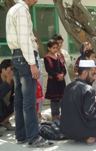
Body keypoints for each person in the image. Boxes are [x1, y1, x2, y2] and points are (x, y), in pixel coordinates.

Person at [6, 0, 51, 147]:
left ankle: (22, 135)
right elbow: (24, 39)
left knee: (19, 99)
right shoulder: (21, 10)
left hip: (16, 57)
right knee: (29, 101)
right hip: (25, 58)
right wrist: (32, 63)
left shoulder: (13, 9)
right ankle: (33, 137)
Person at [60, 60, 96, 144]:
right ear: (84, 72)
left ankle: (82, 135)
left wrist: (95, 96)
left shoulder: (69, 86)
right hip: (81, 131)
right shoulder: (88, 89)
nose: (95, 78)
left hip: (66, 130)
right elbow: (90, 114)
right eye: (93, 73)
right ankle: (92, 134)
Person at [44, 39, 66, 122]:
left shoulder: (59, 56)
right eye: (53, 48)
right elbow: (49, 70)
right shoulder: (47, 58)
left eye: (57, 47)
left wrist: (63, 74)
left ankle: (62, 115)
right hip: (53, 82)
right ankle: (55, 116)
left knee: (62, 99)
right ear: (49, 48)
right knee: (54, 100)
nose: (55, 49)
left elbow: (63, 68)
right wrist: (57, 75)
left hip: (61, 82)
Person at [0, 59, 15, 134]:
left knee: (18, 100)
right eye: (11, 69)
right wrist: (8, 80)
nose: (12, 71)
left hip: (4, 108)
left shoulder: (13, 81)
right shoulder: (9, 79)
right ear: (3, 69)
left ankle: (4, 122)